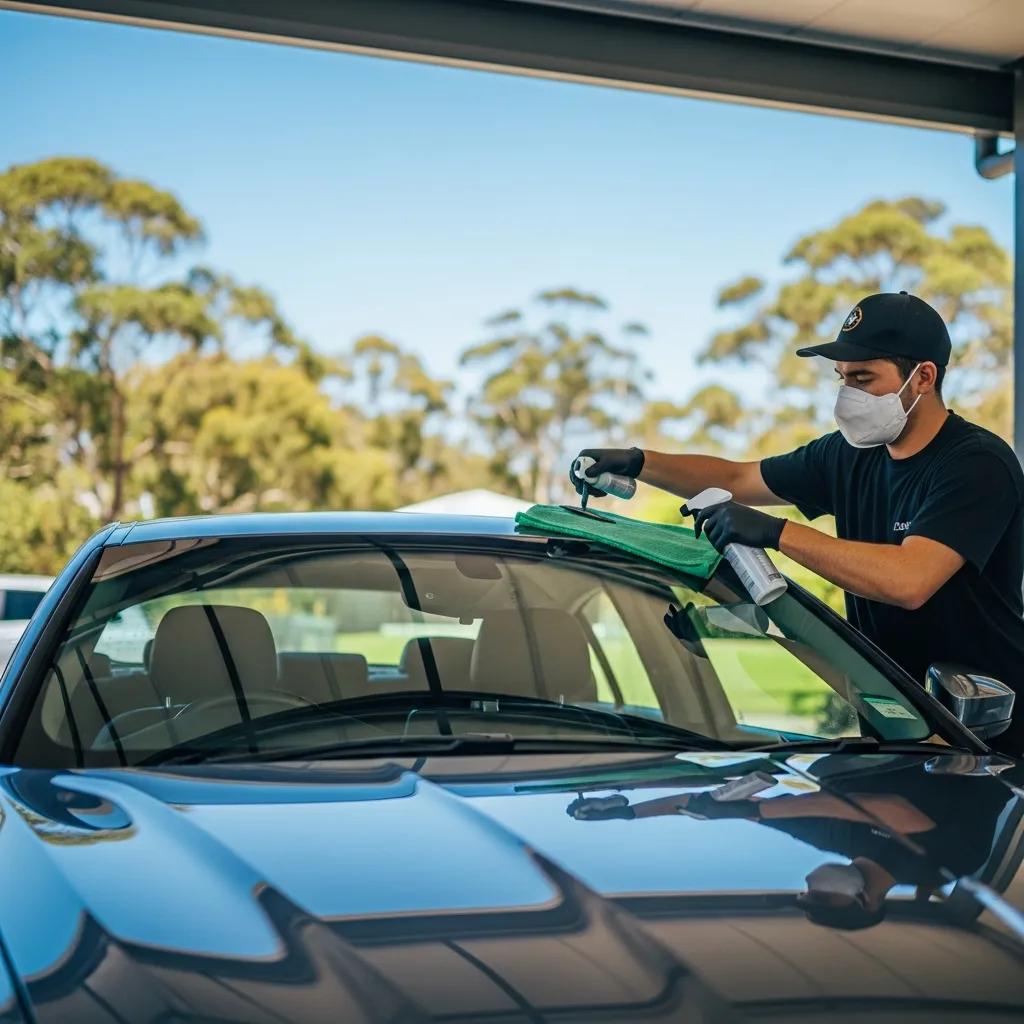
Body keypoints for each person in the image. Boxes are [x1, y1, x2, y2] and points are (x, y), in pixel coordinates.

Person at [571, 292, 1024, 752]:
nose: (849, 395)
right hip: (901, 728)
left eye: (864, 377)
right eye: (842, 378)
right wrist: (638, 461)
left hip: (990, 735)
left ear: (923, 377)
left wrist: (777, 533)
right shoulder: (846, 456)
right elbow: (737, 477)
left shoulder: (977, 464)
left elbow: (909, 579)